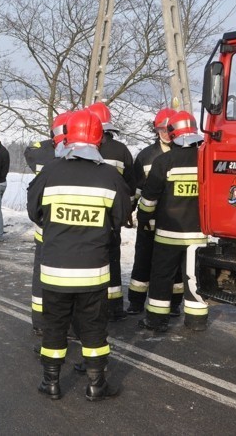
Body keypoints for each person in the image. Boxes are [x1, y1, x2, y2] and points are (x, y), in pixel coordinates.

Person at [27, 109, 129, 401]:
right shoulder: (110, 176)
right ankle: (97, 385)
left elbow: (34, 211)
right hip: (93, 271)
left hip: (55, 269)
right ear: (98, 140)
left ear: (67, 138)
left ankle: (51, 383)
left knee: (54, 327)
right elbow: (121, 216)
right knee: (94, 328)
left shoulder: (50, 172)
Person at [137, 111, 209, 333]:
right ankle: (196, 321)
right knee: (194, 277)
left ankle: (157, 320)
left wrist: (144, 217)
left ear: (173, 134)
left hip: (167, 234)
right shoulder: (207, 160)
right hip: (199, 234)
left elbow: (149, 200)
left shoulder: (163, 162)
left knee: (161, 276)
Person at [24, 111, 73, 336]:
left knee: (42, 277)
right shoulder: (82, 157)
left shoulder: (41, 154)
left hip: (47, 227)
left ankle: (41, 322)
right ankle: (68, 323)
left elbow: (31, 150)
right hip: (71, 231)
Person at [87, 102, 135, 322]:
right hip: (112, 215)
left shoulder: (82, 149)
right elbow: (130, 186)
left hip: (88, 215)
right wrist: (126, 212)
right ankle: (115, 306)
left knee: (90, 260)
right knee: (112, 259)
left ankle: (91, 306)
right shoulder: (121, 150)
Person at [127, 108, 177, 315]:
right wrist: (128, 211)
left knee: (173, 268)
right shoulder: (146, 156)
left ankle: (173, 304)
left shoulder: (185, 155)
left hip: (174, 222)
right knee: (142, 263)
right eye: (161, 129)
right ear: (156, 130)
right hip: (149, 222)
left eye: (168, 129)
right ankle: (136, 303)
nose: (165, 133)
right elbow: (136, 189)